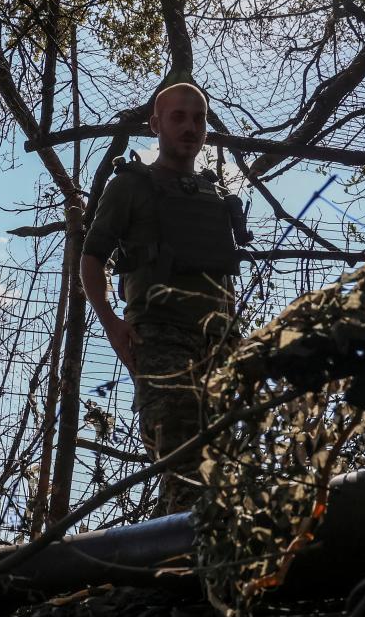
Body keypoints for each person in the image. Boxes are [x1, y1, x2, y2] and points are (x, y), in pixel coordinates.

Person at [80, 83, 250, 515]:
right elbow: (91, 260)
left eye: (198, 119)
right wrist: (113, 326)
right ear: (156, 124)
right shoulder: (130, 186)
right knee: (182, 464)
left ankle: (175, 564)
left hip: (220, 345)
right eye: (178, 117)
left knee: (224, 473)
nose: (190, 128)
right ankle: (177, 569)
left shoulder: (214, 193)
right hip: (160, 339)